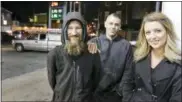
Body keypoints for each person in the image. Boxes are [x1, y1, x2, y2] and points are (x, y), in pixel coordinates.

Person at [47, 12, 101, 102]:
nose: (74, 32)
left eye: (78, 28)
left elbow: (95, 82)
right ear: (65, 30)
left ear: (83, 30)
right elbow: (53, 83)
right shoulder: (54, 54)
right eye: (70, 28)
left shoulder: (92, 54)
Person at [131, 12, 181, 102]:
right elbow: (128, 85)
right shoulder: (138, 57)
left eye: (158, 31)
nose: (152, 36)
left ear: (167, 32)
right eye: (148, 32)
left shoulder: (178, 62)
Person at [87, 13, 135, 102]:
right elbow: (85, 69)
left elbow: (128, 71)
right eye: (111, 23)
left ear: (120, 26)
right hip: (94, 94)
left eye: (116, 24)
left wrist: (121, 92)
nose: (113, 27)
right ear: (105, 24)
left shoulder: (126, 46)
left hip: (115, 95)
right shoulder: (94, 43)